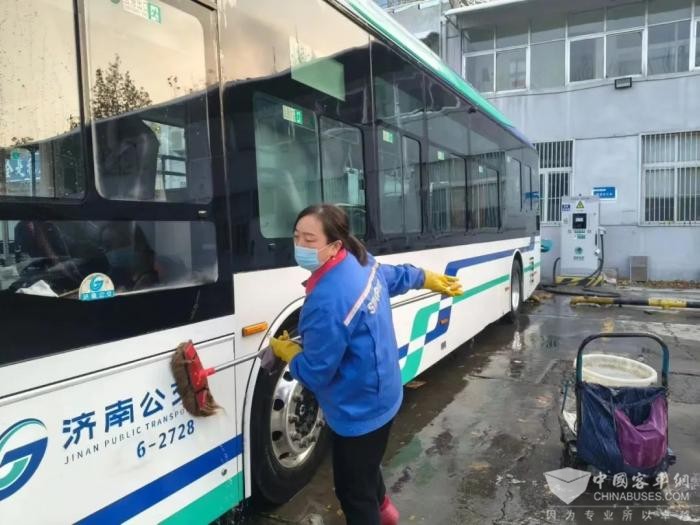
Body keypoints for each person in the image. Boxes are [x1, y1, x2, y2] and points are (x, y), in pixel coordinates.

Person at [270, 204, 463, 525]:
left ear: (334, 245)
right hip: (384, 392)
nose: (300, 245)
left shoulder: (328, 299)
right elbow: (393, 277)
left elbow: (316, 373)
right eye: (296, 236)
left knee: (353, 492)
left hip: (359, 409)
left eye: (309, 239)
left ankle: (378, 514)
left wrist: (289, 353)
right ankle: (385, 511)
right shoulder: (359, 261)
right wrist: (425, 278)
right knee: (366, 466)